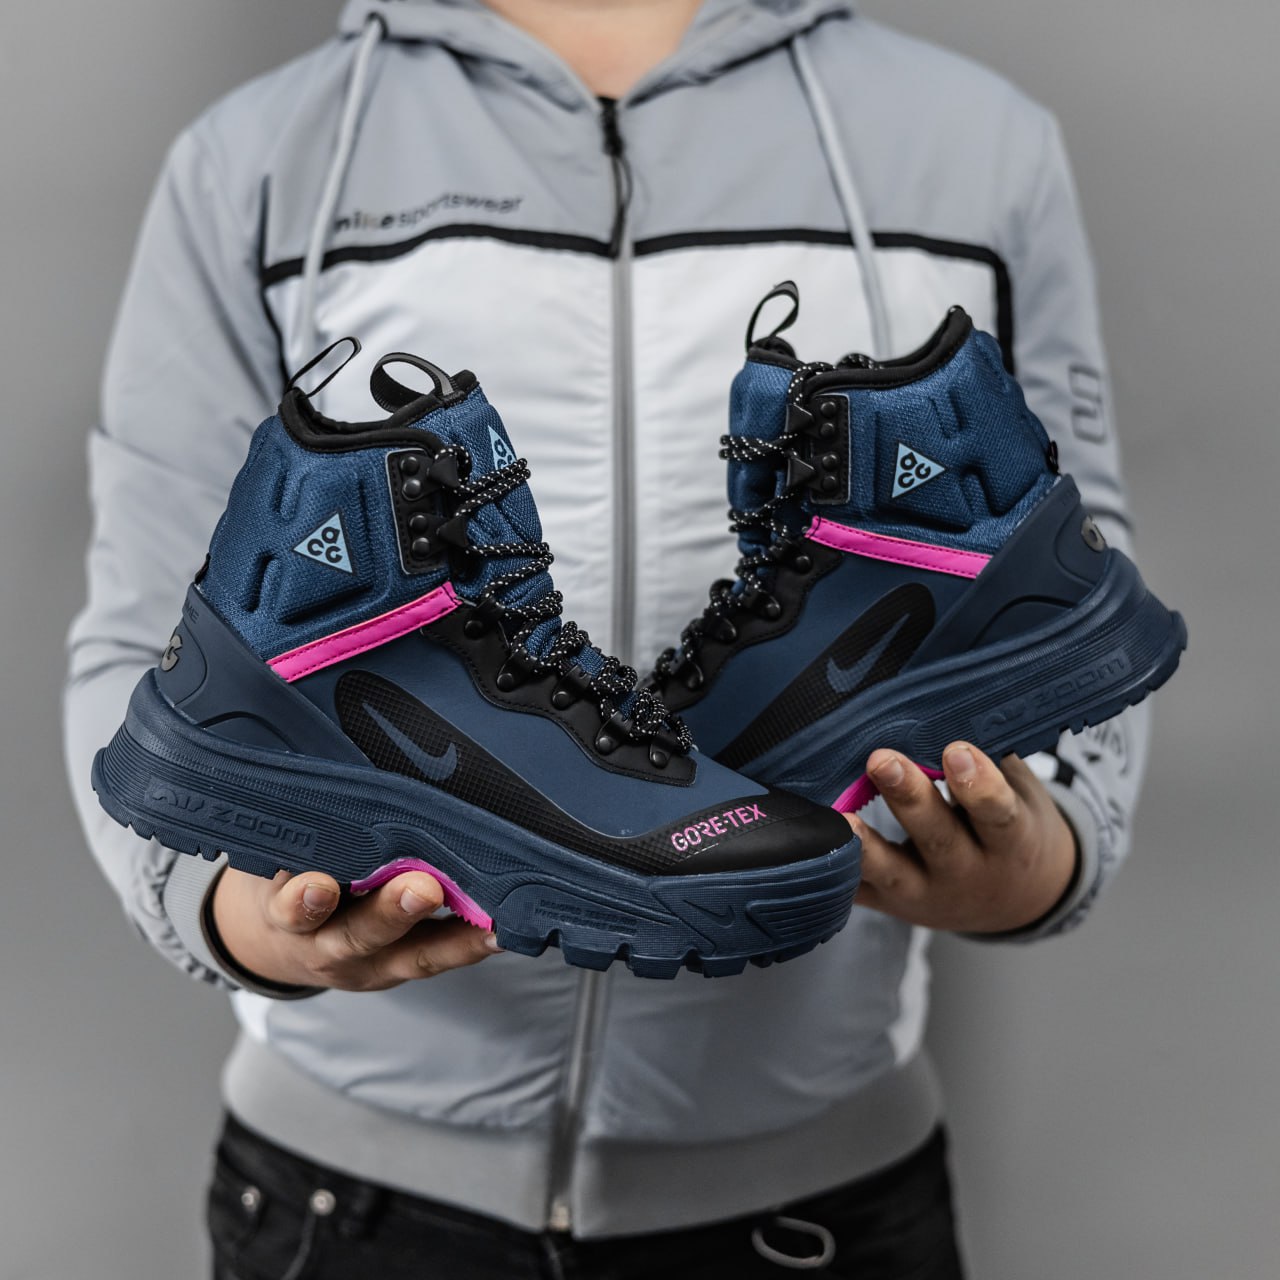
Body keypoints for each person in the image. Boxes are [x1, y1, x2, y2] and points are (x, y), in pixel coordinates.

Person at [64, 1, 1148, 1275]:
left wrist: (1046, 856)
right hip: (343, 1204)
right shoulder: (258, 157)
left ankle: (633, 762)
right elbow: (148, 634)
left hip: (820, 1198)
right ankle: (561, 758)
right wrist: (231, 911)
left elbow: (1078, 539)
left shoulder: (973, 143)